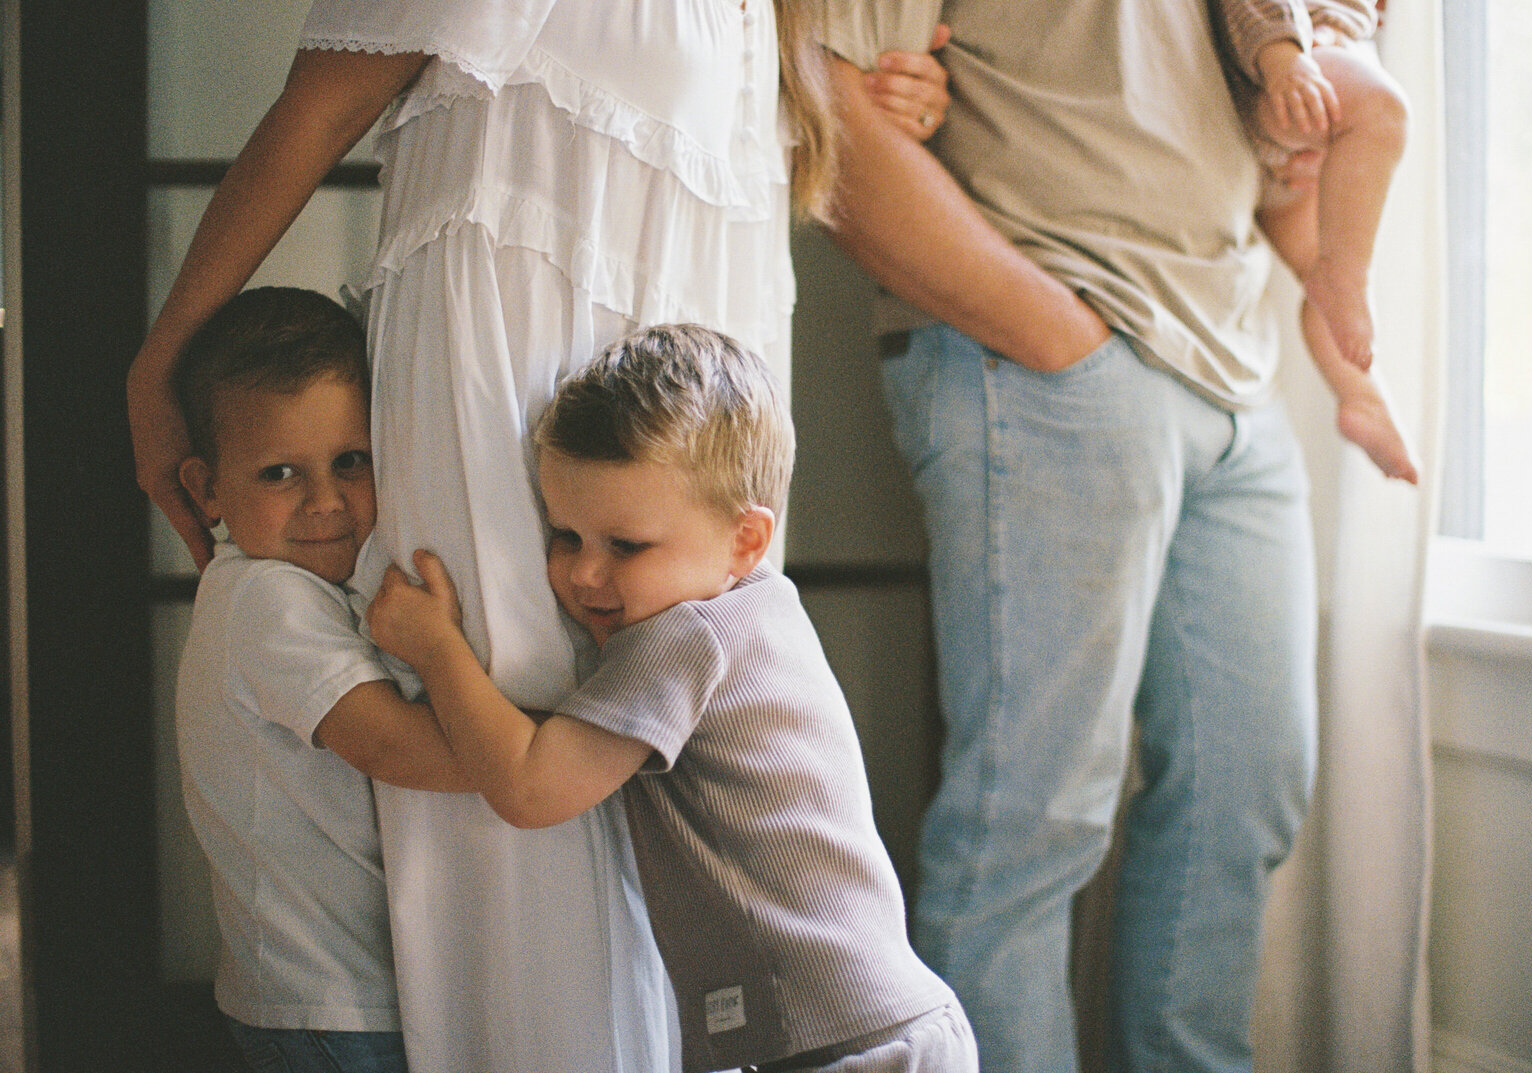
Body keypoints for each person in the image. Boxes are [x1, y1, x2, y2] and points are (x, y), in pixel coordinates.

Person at [126, 4, 954, 1069]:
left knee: (646, 784)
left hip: (684, 379)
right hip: (516, 328)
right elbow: (326, 96)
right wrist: (165, 360)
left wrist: (888, 94)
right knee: (534, 865)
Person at [821, 3, 1320, 1072]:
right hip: (1061, 347)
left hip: (1232, 361)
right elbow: (826, 106)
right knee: (1027, 827)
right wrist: (1061, 337)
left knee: (1250, 786)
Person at [365, 324, 978, 1073]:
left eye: (625, 546)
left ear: (745, 542)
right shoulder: (758, 611)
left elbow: (530, 783)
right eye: (565, 535)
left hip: (847, 1046)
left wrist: (436, 647)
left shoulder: (685, 637)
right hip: (871, 1028)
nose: (586, 573)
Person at [170, 287, 474, 1072]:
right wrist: (558, 746)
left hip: (318, 996)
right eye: (279, 473)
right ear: (207, 490)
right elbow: (396, 747)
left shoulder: (286, 587)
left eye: (350, 461)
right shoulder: (265, 598)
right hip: (329, 1005)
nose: (326, 501)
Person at [1215, 0, 1417, 483]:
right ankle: (1346, 280)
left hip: (1297, 92)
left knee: (1318, 275)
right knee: (1384, 112)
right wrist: (1283, 60)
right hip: (1283, 74)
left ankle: (1361, 395)